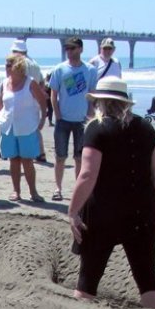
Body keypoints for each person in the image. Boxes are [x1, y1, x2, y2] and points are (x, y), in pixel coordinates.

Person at [67, 77, 155, 309]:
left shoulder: (96, 128)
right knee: (148, 278)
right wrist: (150, 201)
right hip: (143, 211)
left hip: (103, 212)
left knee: (88, 279)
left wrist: (72, 212)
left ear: (99, 102)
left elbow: (87, 175)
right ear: (126, 103)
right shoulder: (146, 128)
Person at [49, 37, 97, 201]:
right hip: (63, 120)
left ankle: (78, 189)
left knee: (79, 158)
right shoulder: (60, 69)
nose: (69, 51)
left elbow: (92, 95)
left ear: (80, 49)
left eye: (73, 48)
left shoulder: (90, 70)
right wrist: (58, 114)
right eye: (67, 49)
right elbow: (53, 94)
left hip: (82, 121)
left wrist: (90, 117)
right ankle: (58, 188)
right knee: (60, 156)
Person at [0, 55, 46, 202]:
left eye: (9, 65)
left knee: (27, 160)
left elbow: (42, 102)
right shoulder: (4, 83)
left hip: (27, 126)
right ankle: (16, 191)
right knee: (13, 160)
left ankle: (33, 192)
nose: (6, 68)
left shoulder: (30, 83)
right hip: (8, 127)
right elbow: (0, 100)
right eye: (5, 65)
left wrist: (42, 119)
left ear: (17, 67)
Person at [9, 39, 47, 162]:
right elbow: (41, 82)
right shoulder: (34, 63)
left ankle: (24, 152)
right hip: (34, 98)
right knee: (34, 126)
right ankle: (41, 152)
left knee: (19, 127)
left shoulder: (20, 63)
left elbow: (17, 80)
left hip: (23, 97)